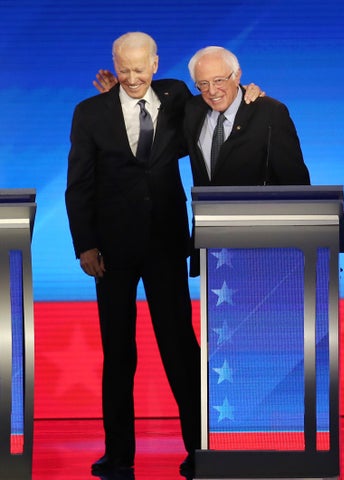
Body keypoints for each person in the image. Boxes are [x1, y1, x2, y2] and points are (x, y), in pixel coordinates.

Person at [65, 32, 200, 477]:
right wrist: (84, 244)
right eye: (124, 70)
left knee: (180, 347)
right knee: (118, 353)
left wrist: (250, 92)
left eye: (140, 69)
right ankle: (118, 454)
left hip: (164, 245)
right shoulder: (89, 113)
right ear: (113, 64)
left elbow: (207, 115)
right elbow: (79, 183)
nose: (132, 77)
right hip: (112, 251)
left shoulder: (177, 96)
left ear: (157, 63)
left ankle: (199, 449)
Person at [184, 46, 310, 275]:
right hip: (211, 242)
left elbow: (296, 181)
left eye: (219, 80)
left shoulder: (270, 113)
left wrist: (298, 243)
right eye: (203, 83)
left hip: (263, 244)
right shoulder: (192, 110)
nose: (212, 91)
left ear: (238, 75)